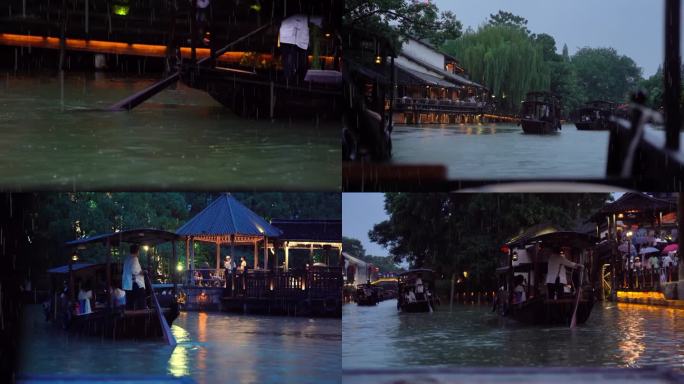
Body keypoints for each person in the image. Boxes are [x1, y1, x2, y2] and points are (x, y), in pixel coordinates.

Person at [122, 244, 146, 310]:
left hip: (127, 285)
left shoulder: (127, 259)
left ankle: (129, 316)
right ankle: (142, 313)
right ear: (137, 251)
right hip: (134, 284)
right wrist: (143, 272)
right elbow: (134, 271)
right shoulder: (134, 258)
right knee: (141, 299)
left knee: (129, 302)